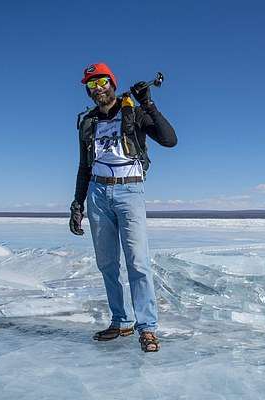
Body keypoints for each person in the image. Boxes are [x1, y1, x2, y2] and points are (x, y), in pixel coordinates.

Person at [69, 63, 177, 352]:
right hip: (97, 192)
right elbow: (83, 166)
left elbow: (169, 140)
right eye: (91, 85)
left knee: (138, 262)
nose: (98, 89)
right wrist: (77, 204)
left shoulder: (134, 112)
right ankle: (121, 320)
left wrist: (149, 104)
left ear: (112, 83)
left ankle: (148, 327)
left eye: (102, 82)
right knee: (107, 264)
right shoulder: (88, 122)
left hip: (129, 190)